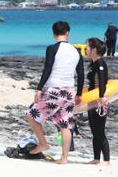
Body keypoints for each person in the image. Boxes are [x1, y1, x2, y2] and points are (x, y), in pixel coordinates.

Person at [25, 21, 84, 164]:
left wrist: (39, 88)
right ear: (67, 33)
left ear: (53, 34)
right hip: (69, 91)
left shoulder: (52, 48)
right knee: (65, 124)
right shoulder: (76, 51)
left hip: (54, 91)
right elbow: (81, 73)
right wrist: (79, 94)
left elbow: (48, 69)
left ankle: (43, 144)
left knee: (31, 115)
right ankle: (64, 158)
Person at [85, 38, 111, 166]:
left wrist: (101, 97)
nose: (86, 49)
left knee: (100, 131)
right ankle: (96, 159)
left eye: (88, 47)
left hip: (99, 102)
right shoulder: (94, 63)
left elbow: (102, 81)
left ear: (94, 50)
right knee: (94, 131)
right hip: (91, 101)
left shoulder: (101, 63)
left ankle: (106, 161)